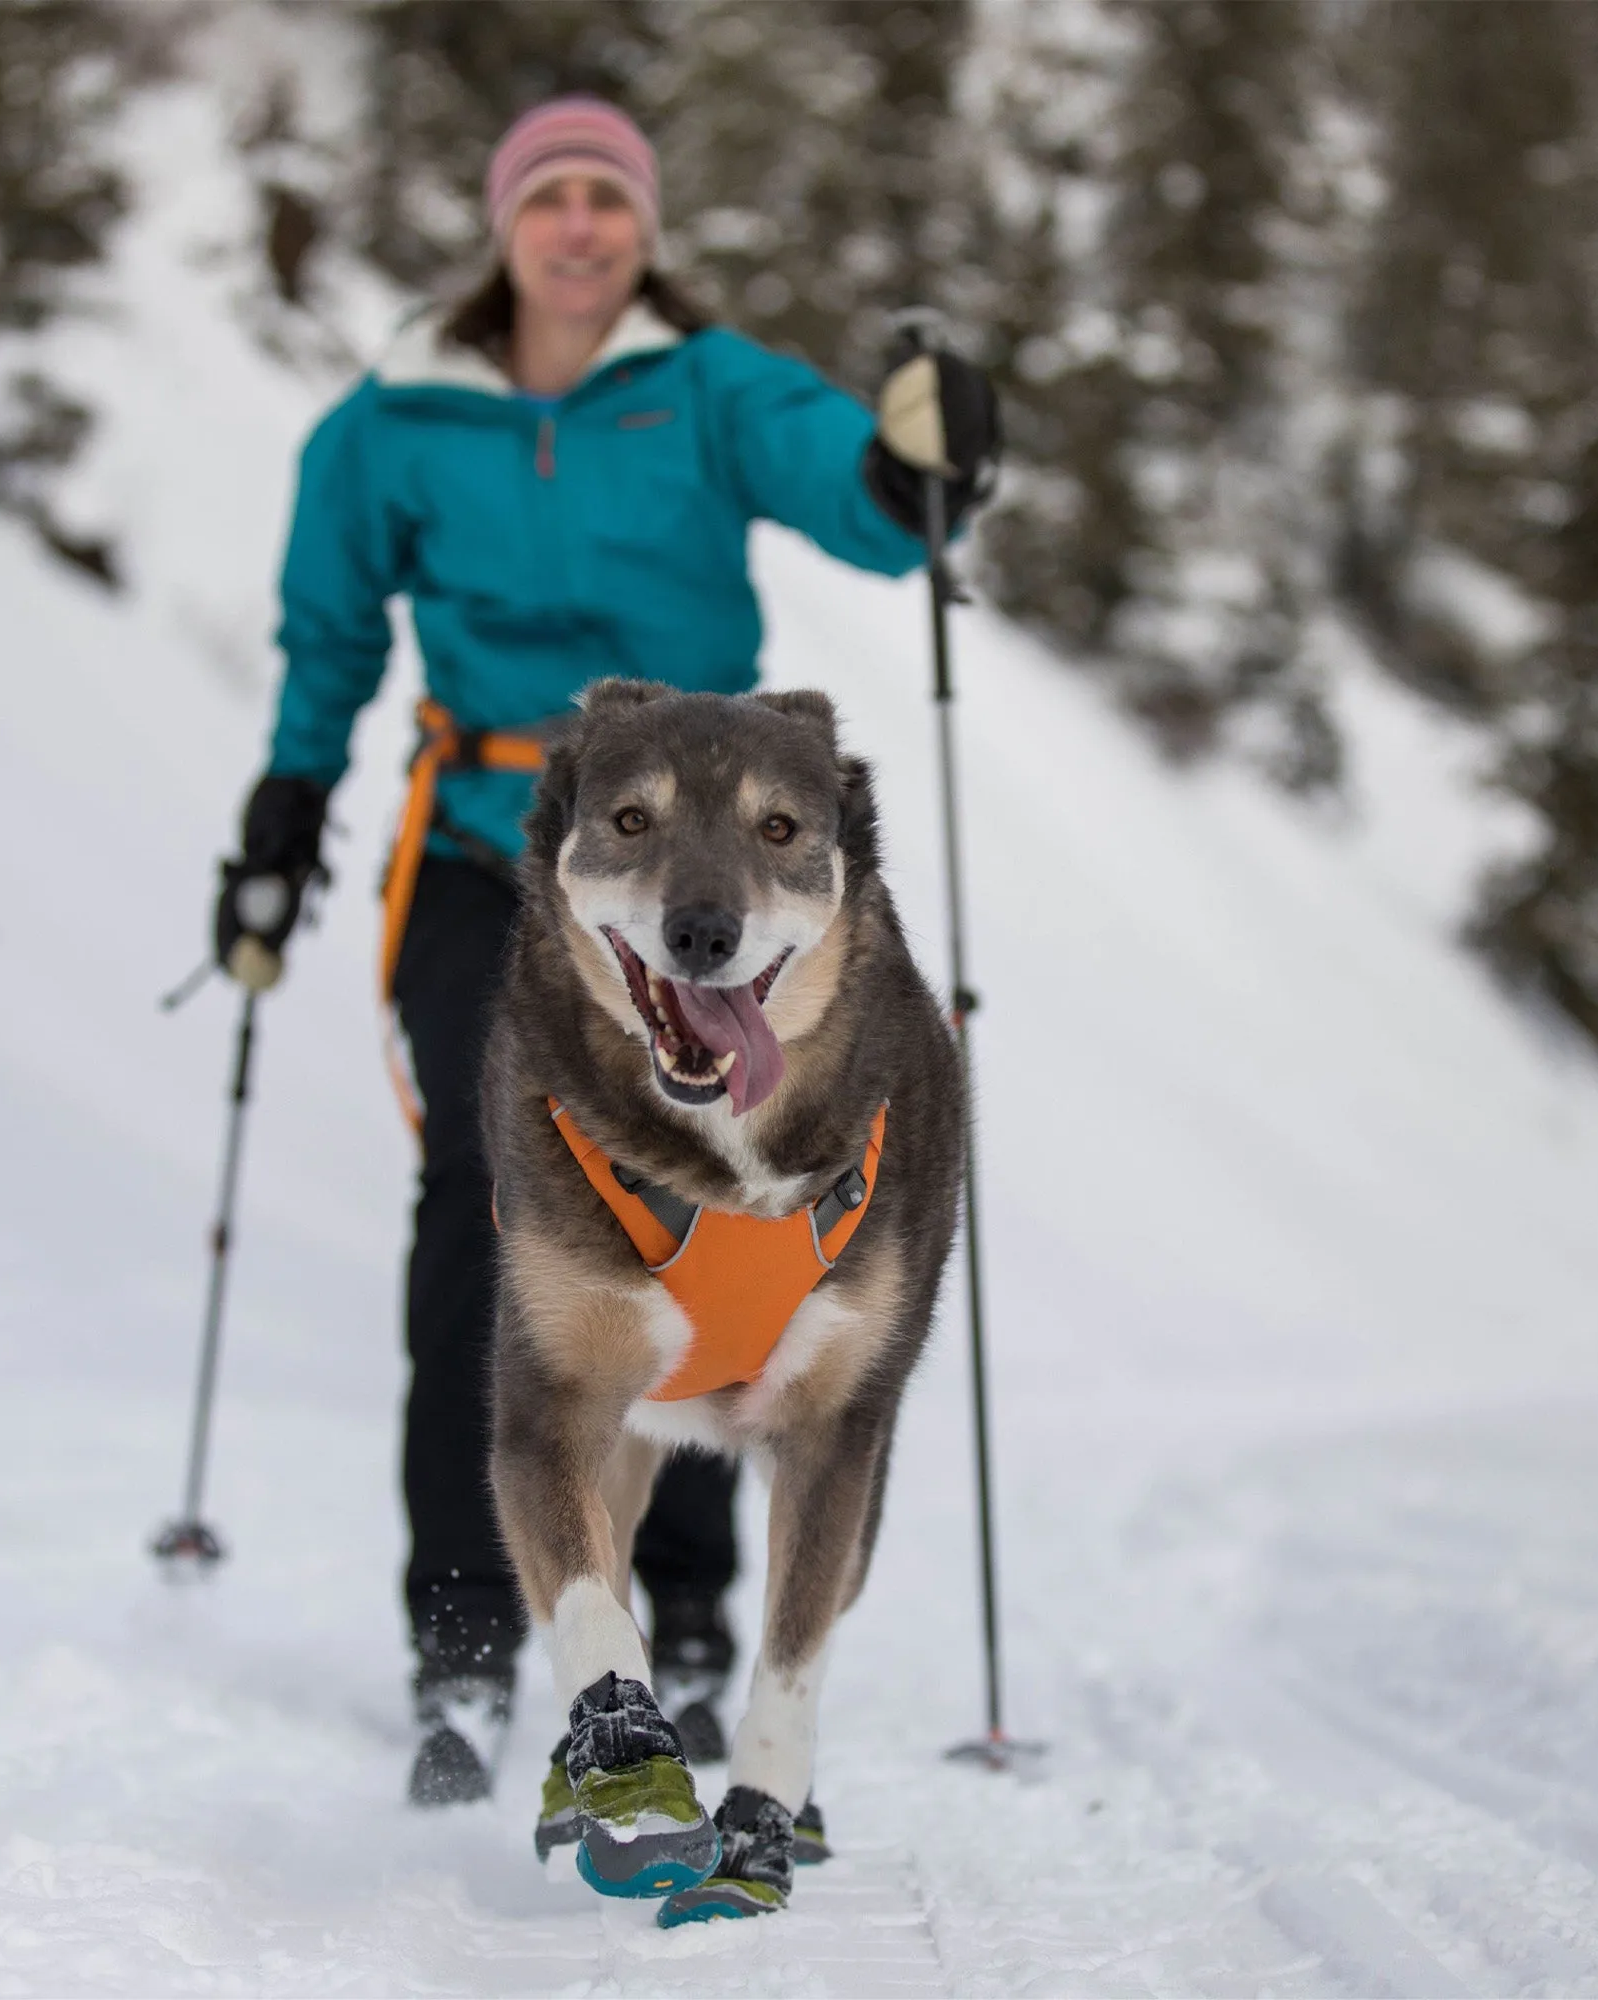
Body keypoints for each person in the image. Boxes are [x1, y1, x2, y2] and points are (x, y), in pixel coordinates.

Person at [213, 97, 997, 1808]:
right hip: (499, 843)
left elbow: (859, 496)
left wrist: (919, 467)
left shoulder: (709, 385)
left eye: (609, 200)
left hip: (709, 849)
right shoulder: (391, 416)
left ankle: (701, 1624)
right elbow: (329, 629)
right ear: (504, 224)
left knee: (740, 1210)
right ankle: (474, 1624)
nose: (580, 227)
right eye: (549, 198)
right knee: (492, 1216)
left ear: (642, 226)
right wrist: (286, 806)